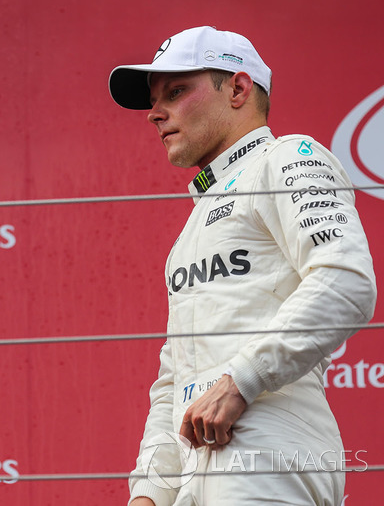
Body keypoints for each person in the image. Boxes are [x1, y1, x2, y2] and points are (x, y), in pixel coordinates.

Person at [108, 26, 376, 505]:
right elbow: (174, 377)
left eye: (176, 91)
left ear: (237, 88)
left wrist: (242, 379)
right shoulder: (189, 233)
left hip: (268, 450)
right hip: (196, 472)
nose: (154, 114)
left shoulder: (290, 156)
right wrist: (150, 491)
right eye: (155, 99)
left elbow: (345, 282)